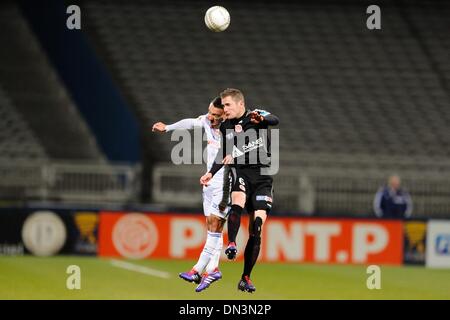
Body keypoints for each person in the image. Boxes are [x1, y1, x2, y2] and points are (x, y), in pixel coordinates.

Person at [200, 88, 279, 293]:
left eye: (227, 105)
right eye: (223, 105)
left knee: (257, 227)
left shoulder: (256, 116)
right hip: (242, 173)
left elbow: (274, 120)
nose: (224, 109)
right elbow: (223, 153)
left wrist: (260, 116)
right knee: (237, 200)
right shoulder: (226, 126)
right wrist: (211, 172)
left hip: (263, 178)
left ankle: (245, 277)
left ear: (240, 104)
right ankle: (232, 242)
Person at [152, 96, 230, 292]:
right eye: (210, 113)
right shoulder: (207, 120)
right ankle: (213, 268)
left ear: (225, 115)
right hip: (210, 181)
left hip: (226, 182)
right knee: (213, 227)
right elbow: (191, 122)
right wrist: (168, 127)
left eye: (216, 115)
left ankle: (199, 269)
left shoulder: (232, 129)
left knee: (215, 224)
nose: (211, 118)